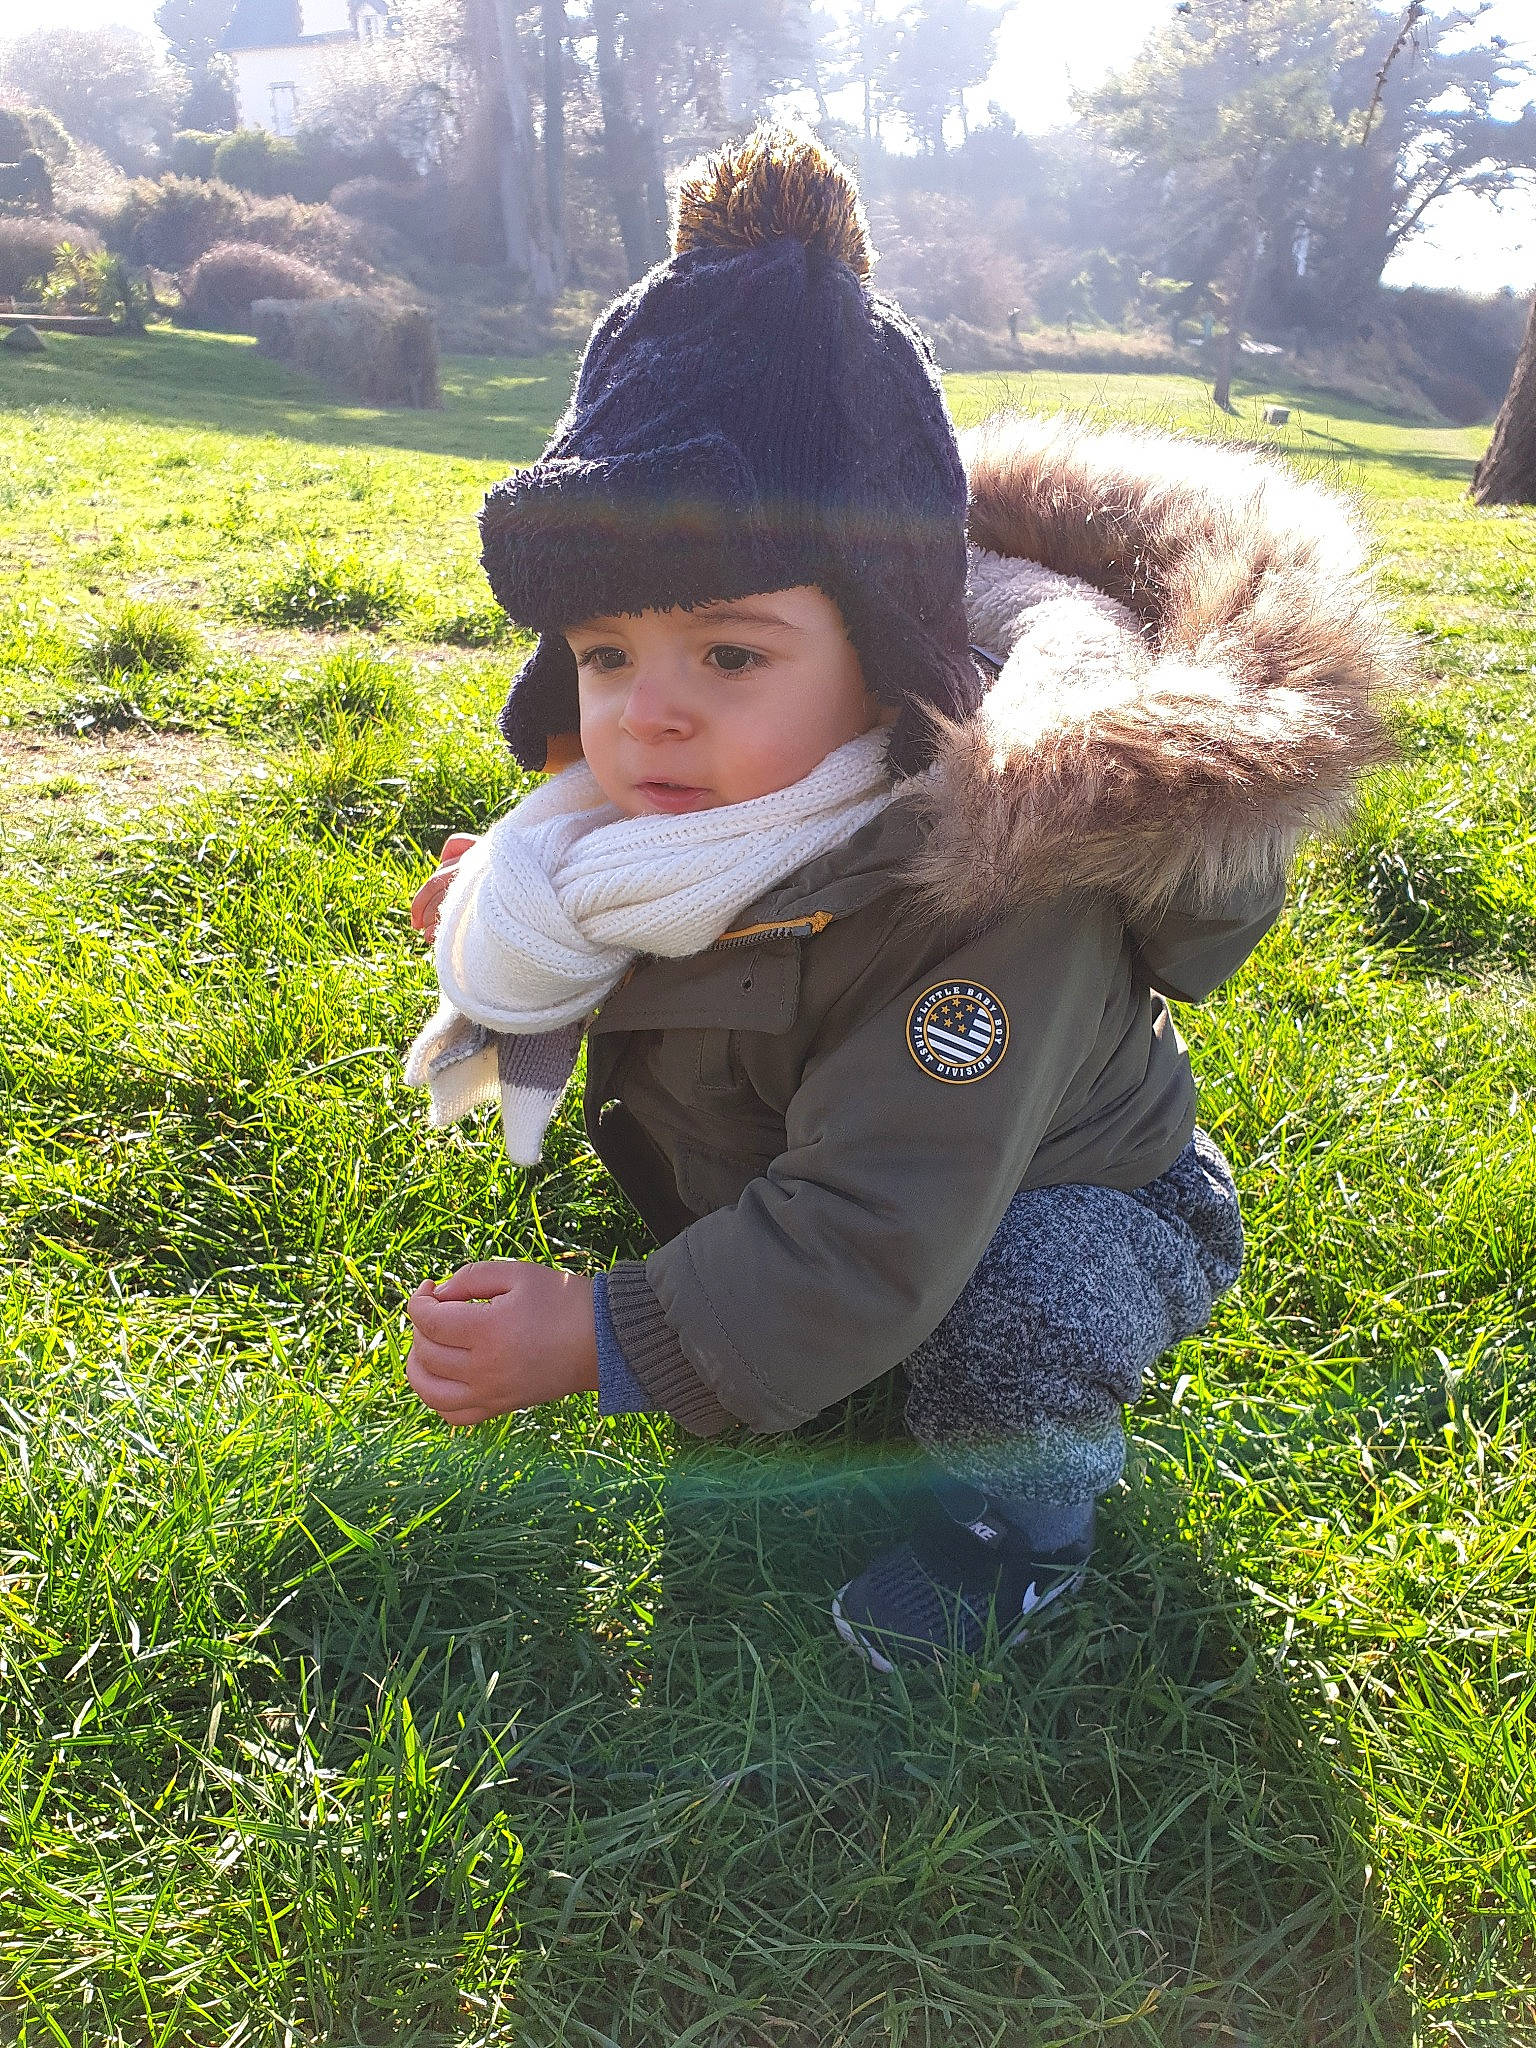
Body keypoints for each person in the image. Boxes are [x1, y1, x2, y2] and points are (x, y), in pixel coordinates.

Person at [400, 127, 1396, 1670]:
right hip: (865, 1179)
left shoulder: (995, 893)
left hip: (1061, 1197)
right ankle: (804, 1344)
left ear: (883, 658)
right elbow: (684, 921)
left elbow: (882, 1218)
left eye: (729, 655)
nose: (647, 716)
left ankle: (1018, 1532)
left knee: (1018, 1305)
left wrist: (606, 1334)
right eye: (607, 656)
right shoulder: (712, 796)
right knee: (886, 1275)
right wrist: (532, 913)